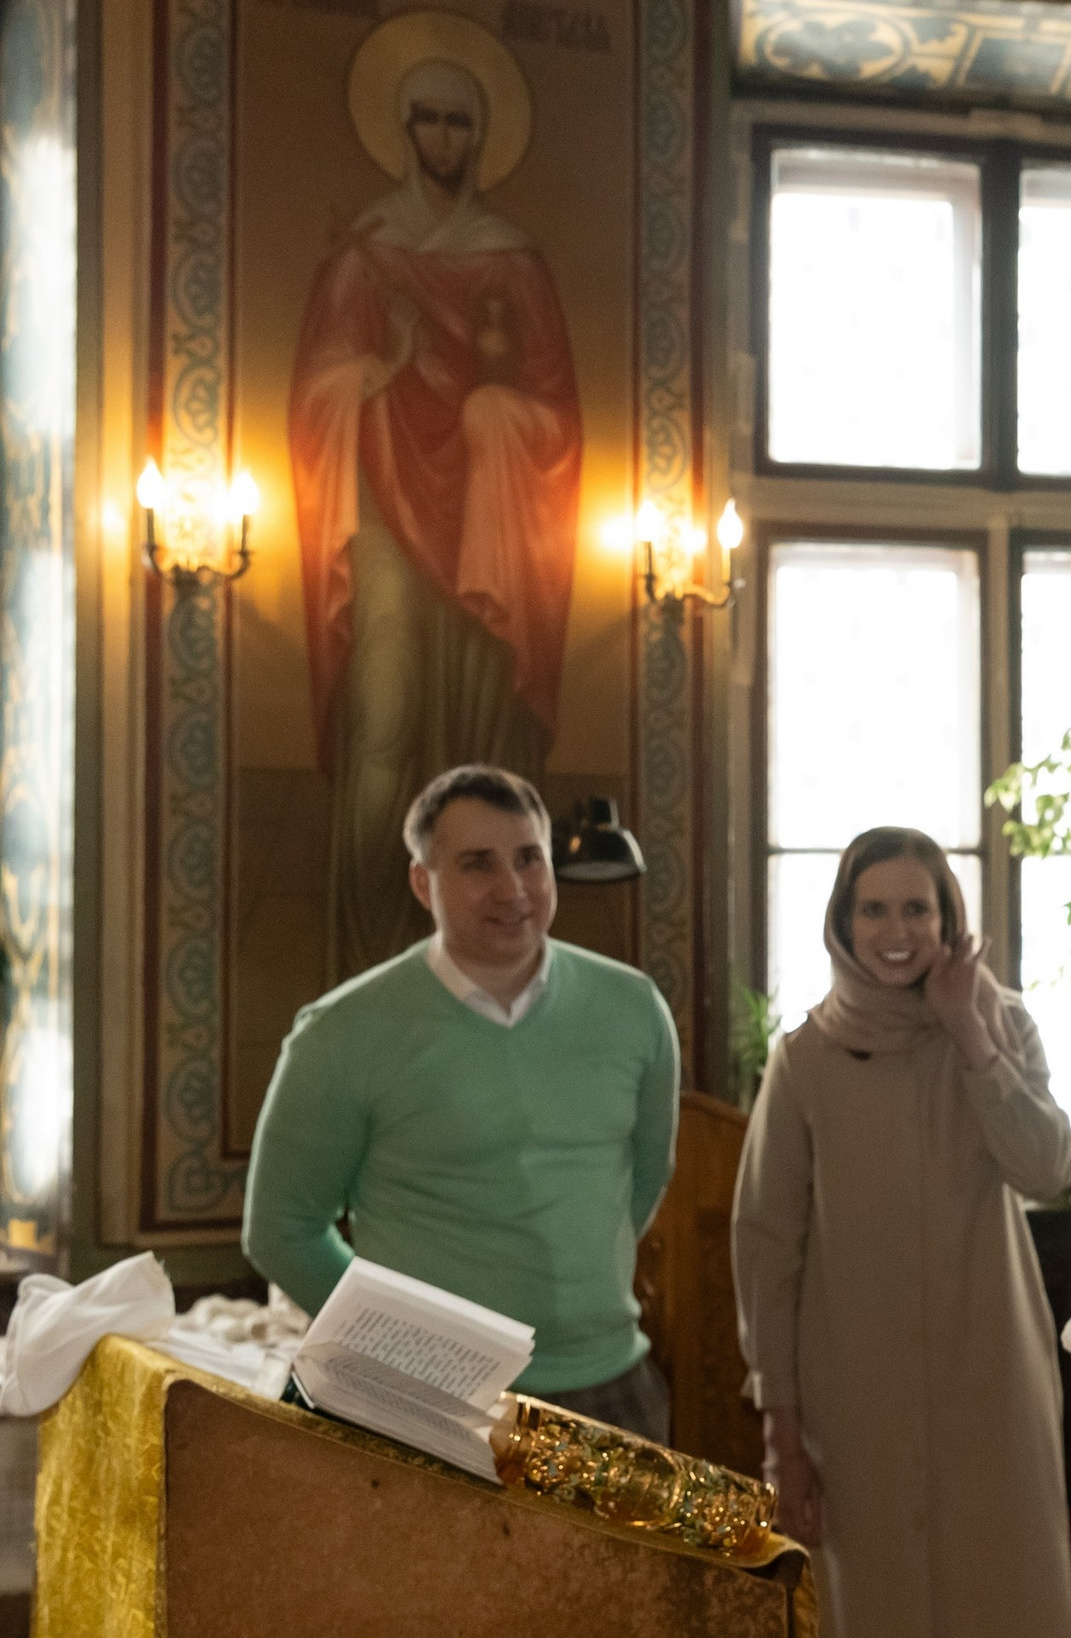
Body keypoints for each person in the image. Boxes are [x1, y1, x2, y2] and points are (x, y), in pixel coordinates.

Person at [733, 827, 1071, 1638]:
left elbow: (1050, 1168)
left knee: (1009, 1604)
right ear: (843, 922)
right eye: (875, 907)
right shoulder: (804, 1058)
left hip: (991, 1374)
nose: (896, 929)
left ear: (949, 919)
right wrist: (783, 1435)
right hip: (853, 1392)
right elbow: (766, 1245)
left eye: (917, 908)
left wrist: (970, 1033)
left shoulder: (999, 1024)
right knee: (872, 1619)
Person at [243, 765, 678, 1439]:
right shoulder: (343, 1031)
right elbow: (280, 1226)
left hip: (610, 1382)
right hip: (423, 1401)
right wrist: (407, 1348)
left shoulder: (633, 1007)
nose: (513, 889)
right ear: (424, 881)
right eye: (478, 864)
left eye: (529, 858)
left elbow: (643, 1179)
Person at [289, 45, 581, 982]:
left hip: (490, 537)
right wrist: (384, 367)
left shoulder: (514, 258)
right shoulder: (365, 253)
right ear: (406, 132)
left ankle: (487, 959)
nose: (444, 139)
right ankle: (369, 961)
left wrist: (495, 415)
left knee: (484, 737)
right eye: (429, 120)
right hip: (382, 519)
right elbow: (316, 398)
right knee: (384, 722)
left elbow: (557, 414)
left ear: (481, 136)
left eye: (461, 122)